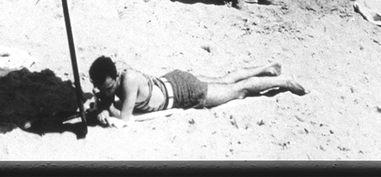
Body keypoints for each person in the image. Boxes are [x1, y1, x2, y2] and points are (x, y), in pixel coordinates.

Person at [87, 55, 306, 125]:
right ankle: (266, 69)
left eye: (109, 87)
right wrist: (103, 101)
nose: (108, 92)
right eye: (102, 89)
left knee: (238, 91)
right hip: (173, 81)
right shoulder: (117, 77)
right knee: (224, 79)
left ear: (116, 77)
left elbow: (125, 119)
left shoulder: (128, 81)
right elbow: (109, 98)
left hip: (183, 92)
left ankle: (284, 81)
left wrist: (103, 111)